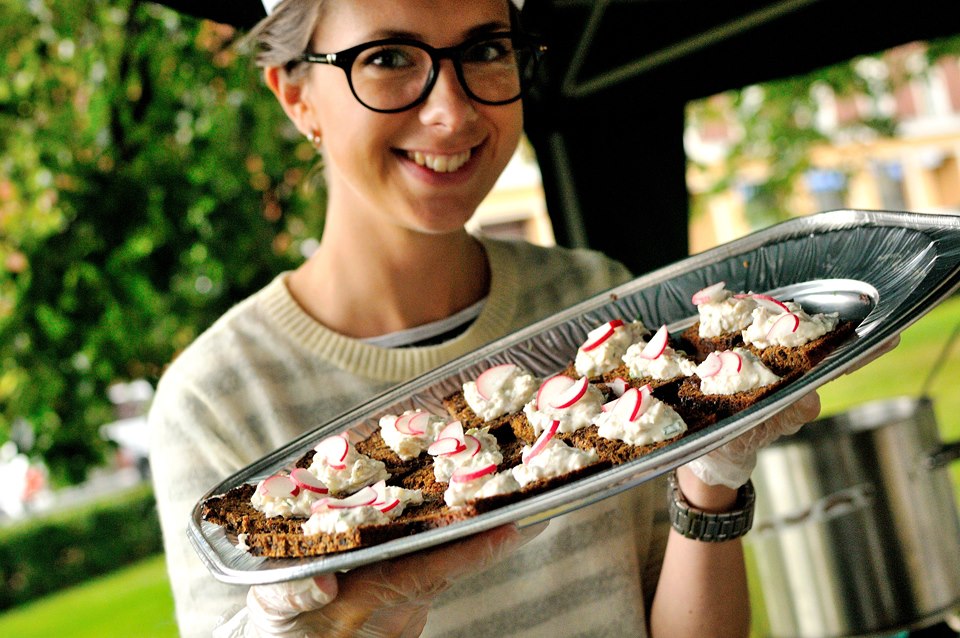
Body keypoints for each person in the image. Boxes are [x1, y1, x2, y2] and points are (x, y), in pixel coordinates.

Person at [148, 1, 870, 636]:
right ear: (296, 95)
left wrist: (711, 479)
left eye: (486, 50)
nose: (453, 113)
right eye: (390, 58)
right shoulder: (215, 399)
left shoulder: (597, 305)